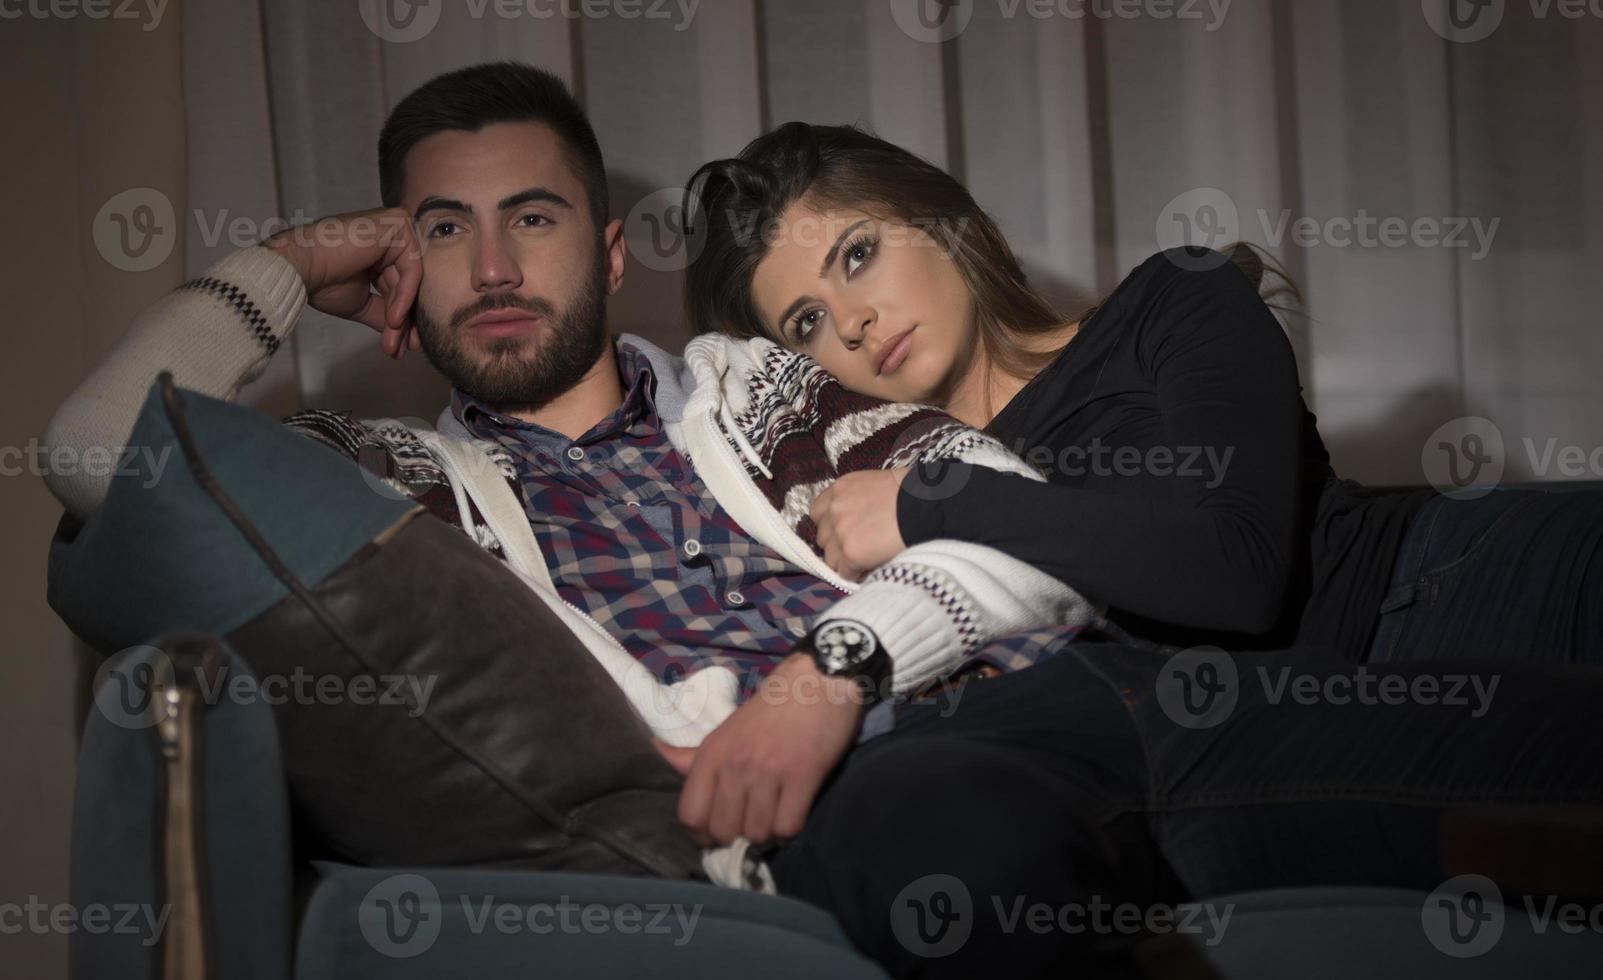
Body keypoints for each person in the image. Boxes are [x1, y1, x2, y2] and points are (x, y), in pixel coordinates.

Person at [42, 63, 1603, 978]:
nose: (494, 263)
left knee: (1546, 753)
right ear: (401, 265)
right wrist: (283, 264)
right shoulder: (391, 473)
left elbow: (1018, 523)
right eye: (439, 230)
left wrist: (835, 657)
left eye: (529, 216)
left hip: (1082, 689)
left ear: (596, 236)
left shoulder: (753, 387)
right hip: (885, 789)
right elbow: (105, 464)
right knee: (963, 850)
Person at [683, 122, 1603, 665]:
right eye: (804, 322)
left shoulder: (1175, 297)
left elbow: (1236, 578)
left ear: (938, 220)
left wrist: (936, 505)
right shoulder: (873, 491)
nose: (849, 321)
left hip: (1474, 585)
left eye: (857, 254)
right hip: (1328, 746)